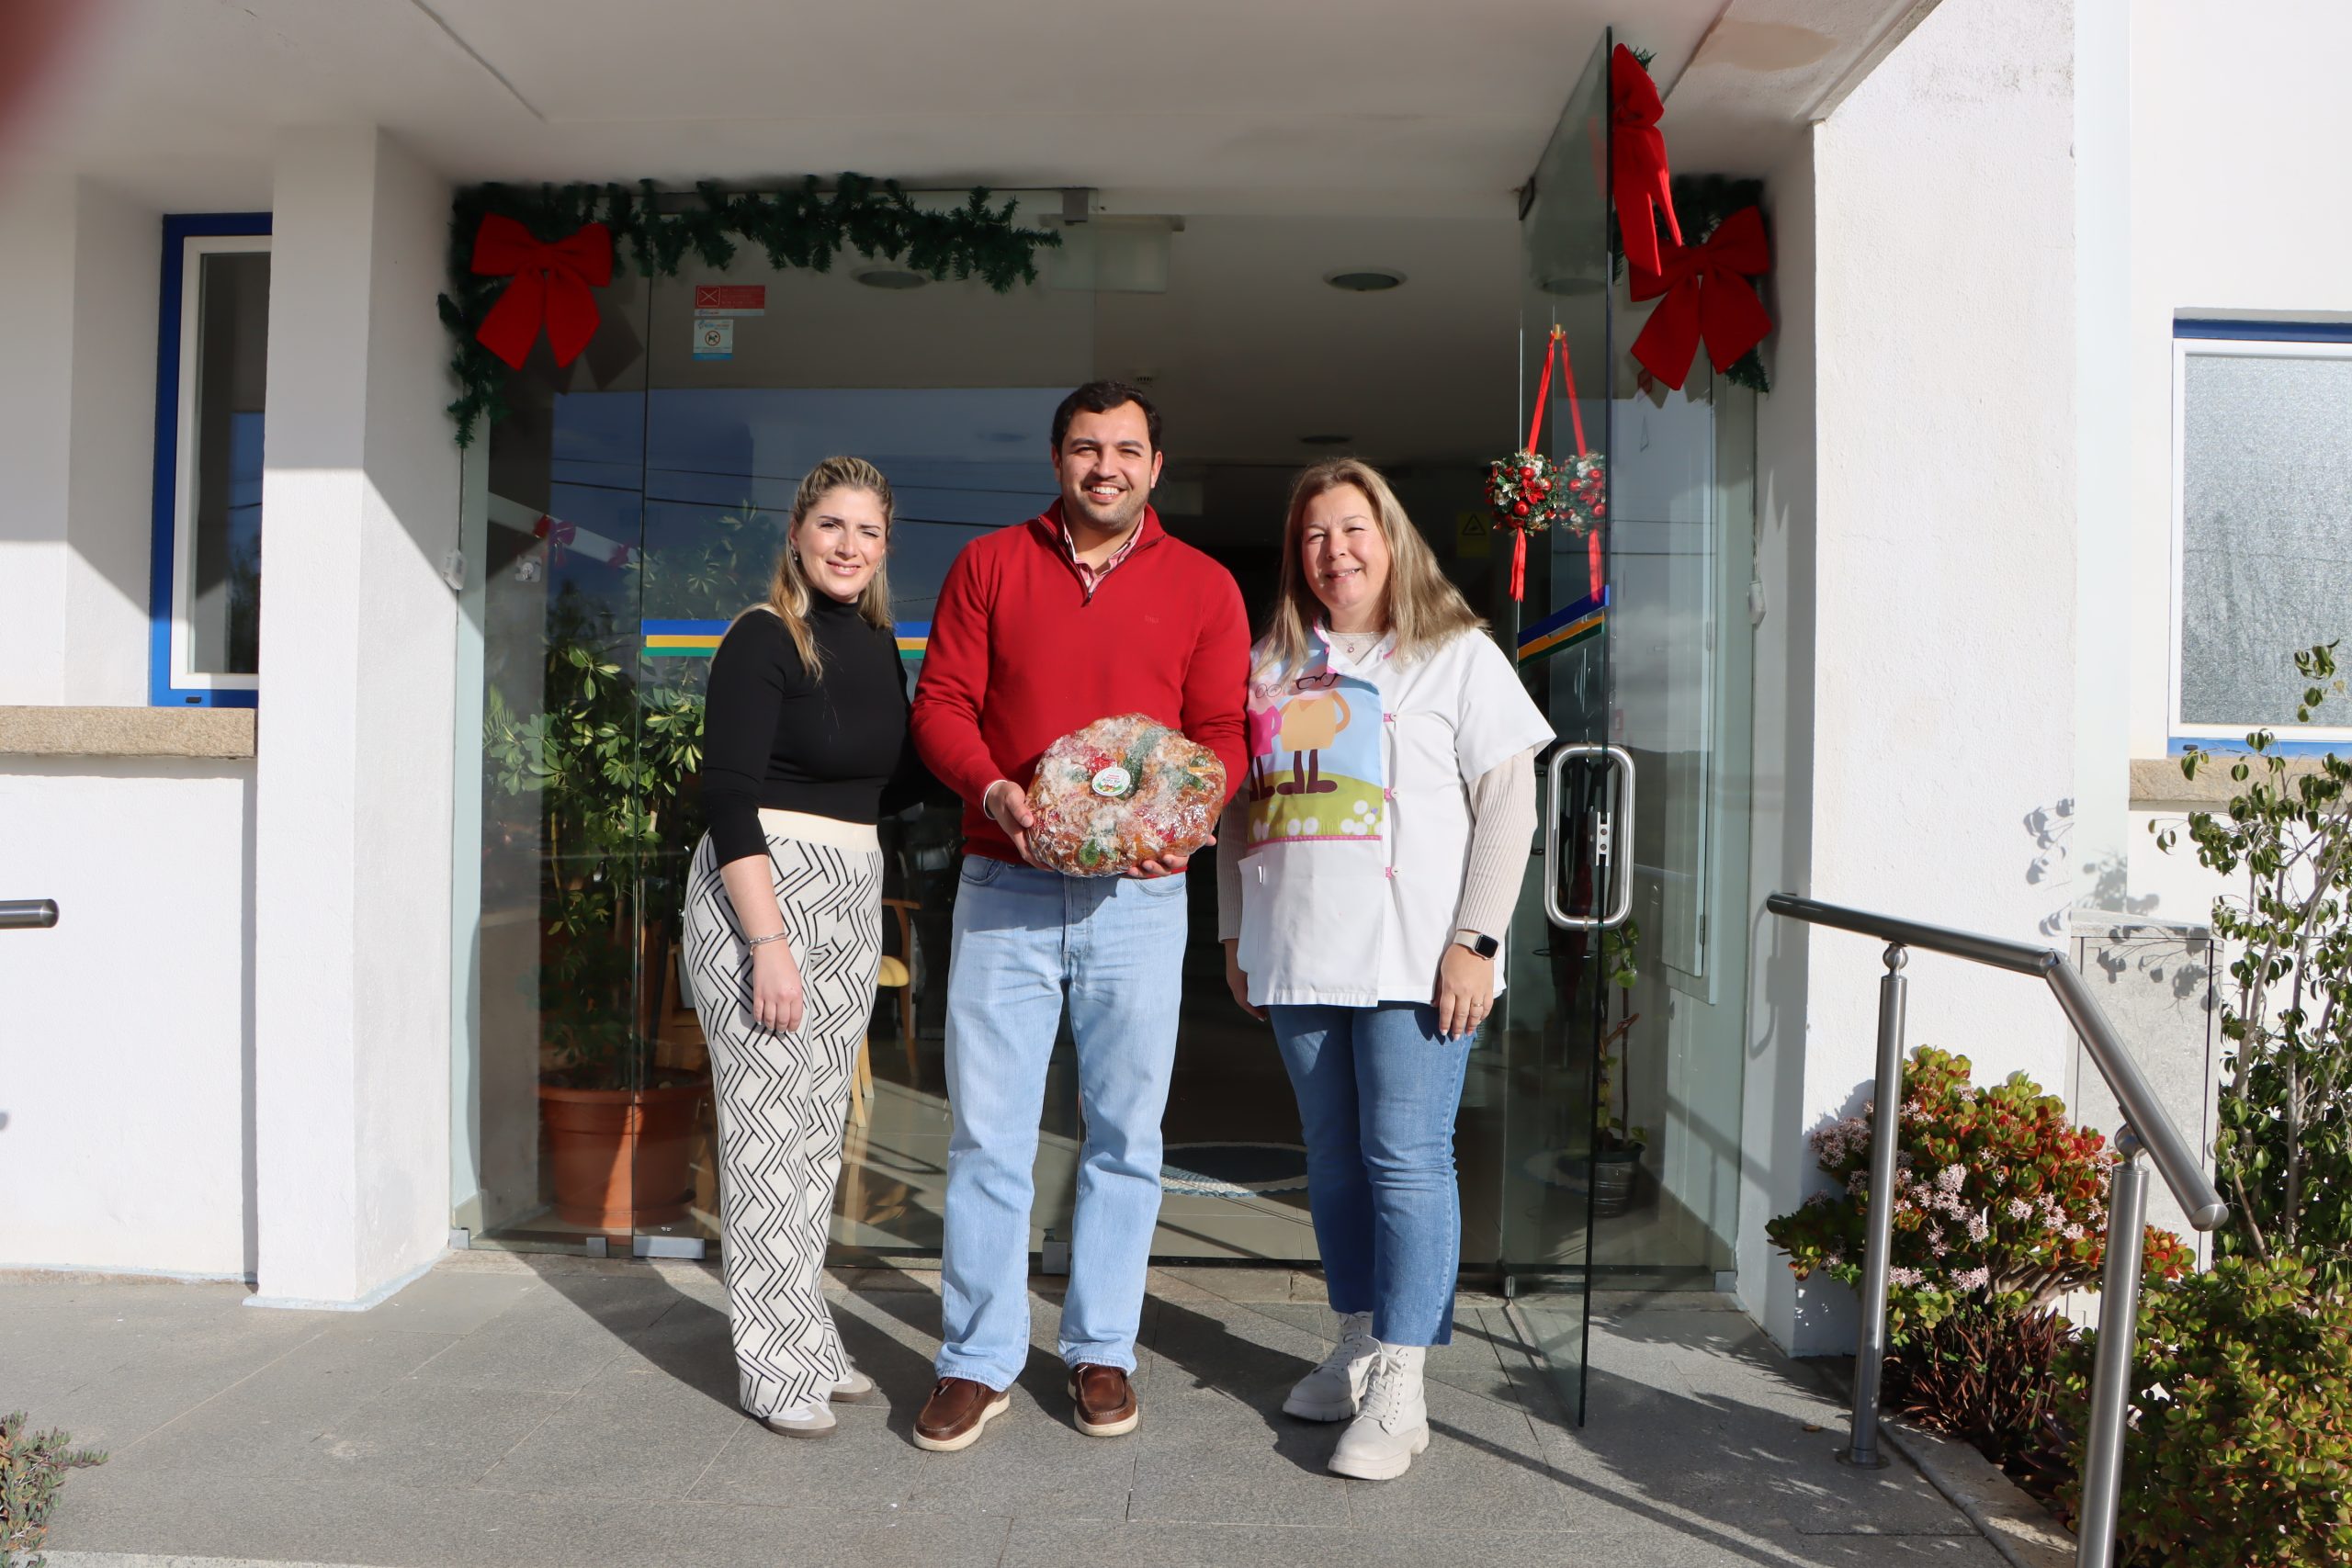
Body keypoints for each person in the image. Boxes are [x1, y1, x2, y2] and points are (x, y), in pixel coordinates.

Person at [908, 381, 1249, 1451]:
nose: (1107, 467)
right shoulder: (989, 565)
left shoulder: (1203, 586)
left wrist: (1188, 815)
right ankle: (977, 1361)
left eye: (1127, 449)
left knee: (1125, 1136)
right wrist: (991, 790)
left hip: (1139, 897)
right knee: (988, 1136)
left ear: (1155, 466)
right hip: (1002, 884)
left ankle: (1101, 1349)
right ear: (1057, 460)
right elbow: (941, 705)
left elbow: (1222, 733)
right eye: (1087, 448)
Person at [1217, 457, 1553, 1480]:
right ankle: (1358, 1340)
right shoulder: (1270, 665)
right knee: (1332, 1161)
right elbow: (1239, 813)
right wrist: (1234, 932)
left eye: (1353, 528)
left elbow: (1510, 801)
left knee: (1405, 1159)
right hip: (1298, 946)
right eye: (1315, 535)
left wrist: (1477, 939)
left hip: (1419, 953)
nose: (1336, 551)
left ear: (1391, 537)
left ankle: (1403, 1382)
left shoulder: (1457, 654)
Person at [682, 456, 929, 1439]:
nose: (847, 546)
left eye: (867, 531)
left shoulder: (876, 645)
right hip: (764, 897)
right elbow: (727, 794)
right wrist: (767, 941)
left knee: (816, 1134)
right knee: (764, 1136)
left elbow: (895, 784)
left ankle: (807, 1333)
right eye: (830, 525)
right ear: (796, 532)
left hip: (851, 892)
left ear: (885, 545)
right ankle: (771, 1360)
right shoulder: (762, 635)